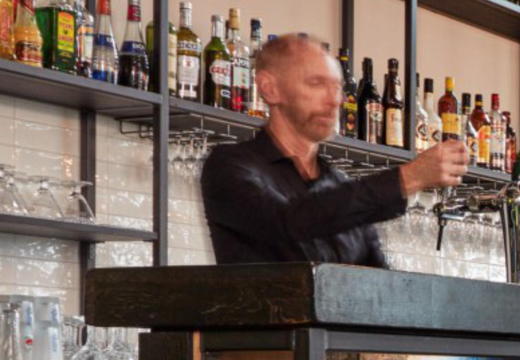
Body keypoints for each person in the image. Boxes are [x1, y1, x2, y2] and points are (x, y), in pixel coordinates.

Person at [200, 32, 467, 266]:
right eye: (316, 83)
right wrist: (408, 177)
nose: (334, 100)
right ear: (270, 89)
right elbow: (289, 224)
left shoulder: (340, 184)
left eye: (337, 87)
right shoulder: (229, 166)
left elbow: (381, 284)